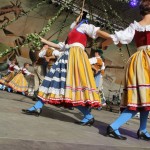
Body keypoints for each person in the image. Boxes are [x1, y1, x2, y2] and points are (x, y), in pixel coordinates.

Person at [22, 11, 111, 126]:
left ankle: (88, 116)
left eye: (79, 16)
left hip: (75, 57)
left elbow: (98, 32)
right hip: (66, 57)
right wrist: (43, 40)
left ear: (82, 18)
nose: (76, 18)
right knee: (52, 81)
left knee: (72, 89)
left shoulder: (84, 26)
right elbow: (61, 46)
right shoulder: (73, 31)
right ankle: (37, 107)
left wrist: (113, 38)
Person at [102, 0, 150, 140]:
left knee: (145, 98)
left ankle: (142, 130)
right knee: (141, 98)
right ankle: (114, 126)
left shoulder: (134, 26)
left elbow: (119, 37)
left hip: (137, 60)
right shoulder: (135, 26)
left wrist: (104, 44)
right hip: (146, 62)